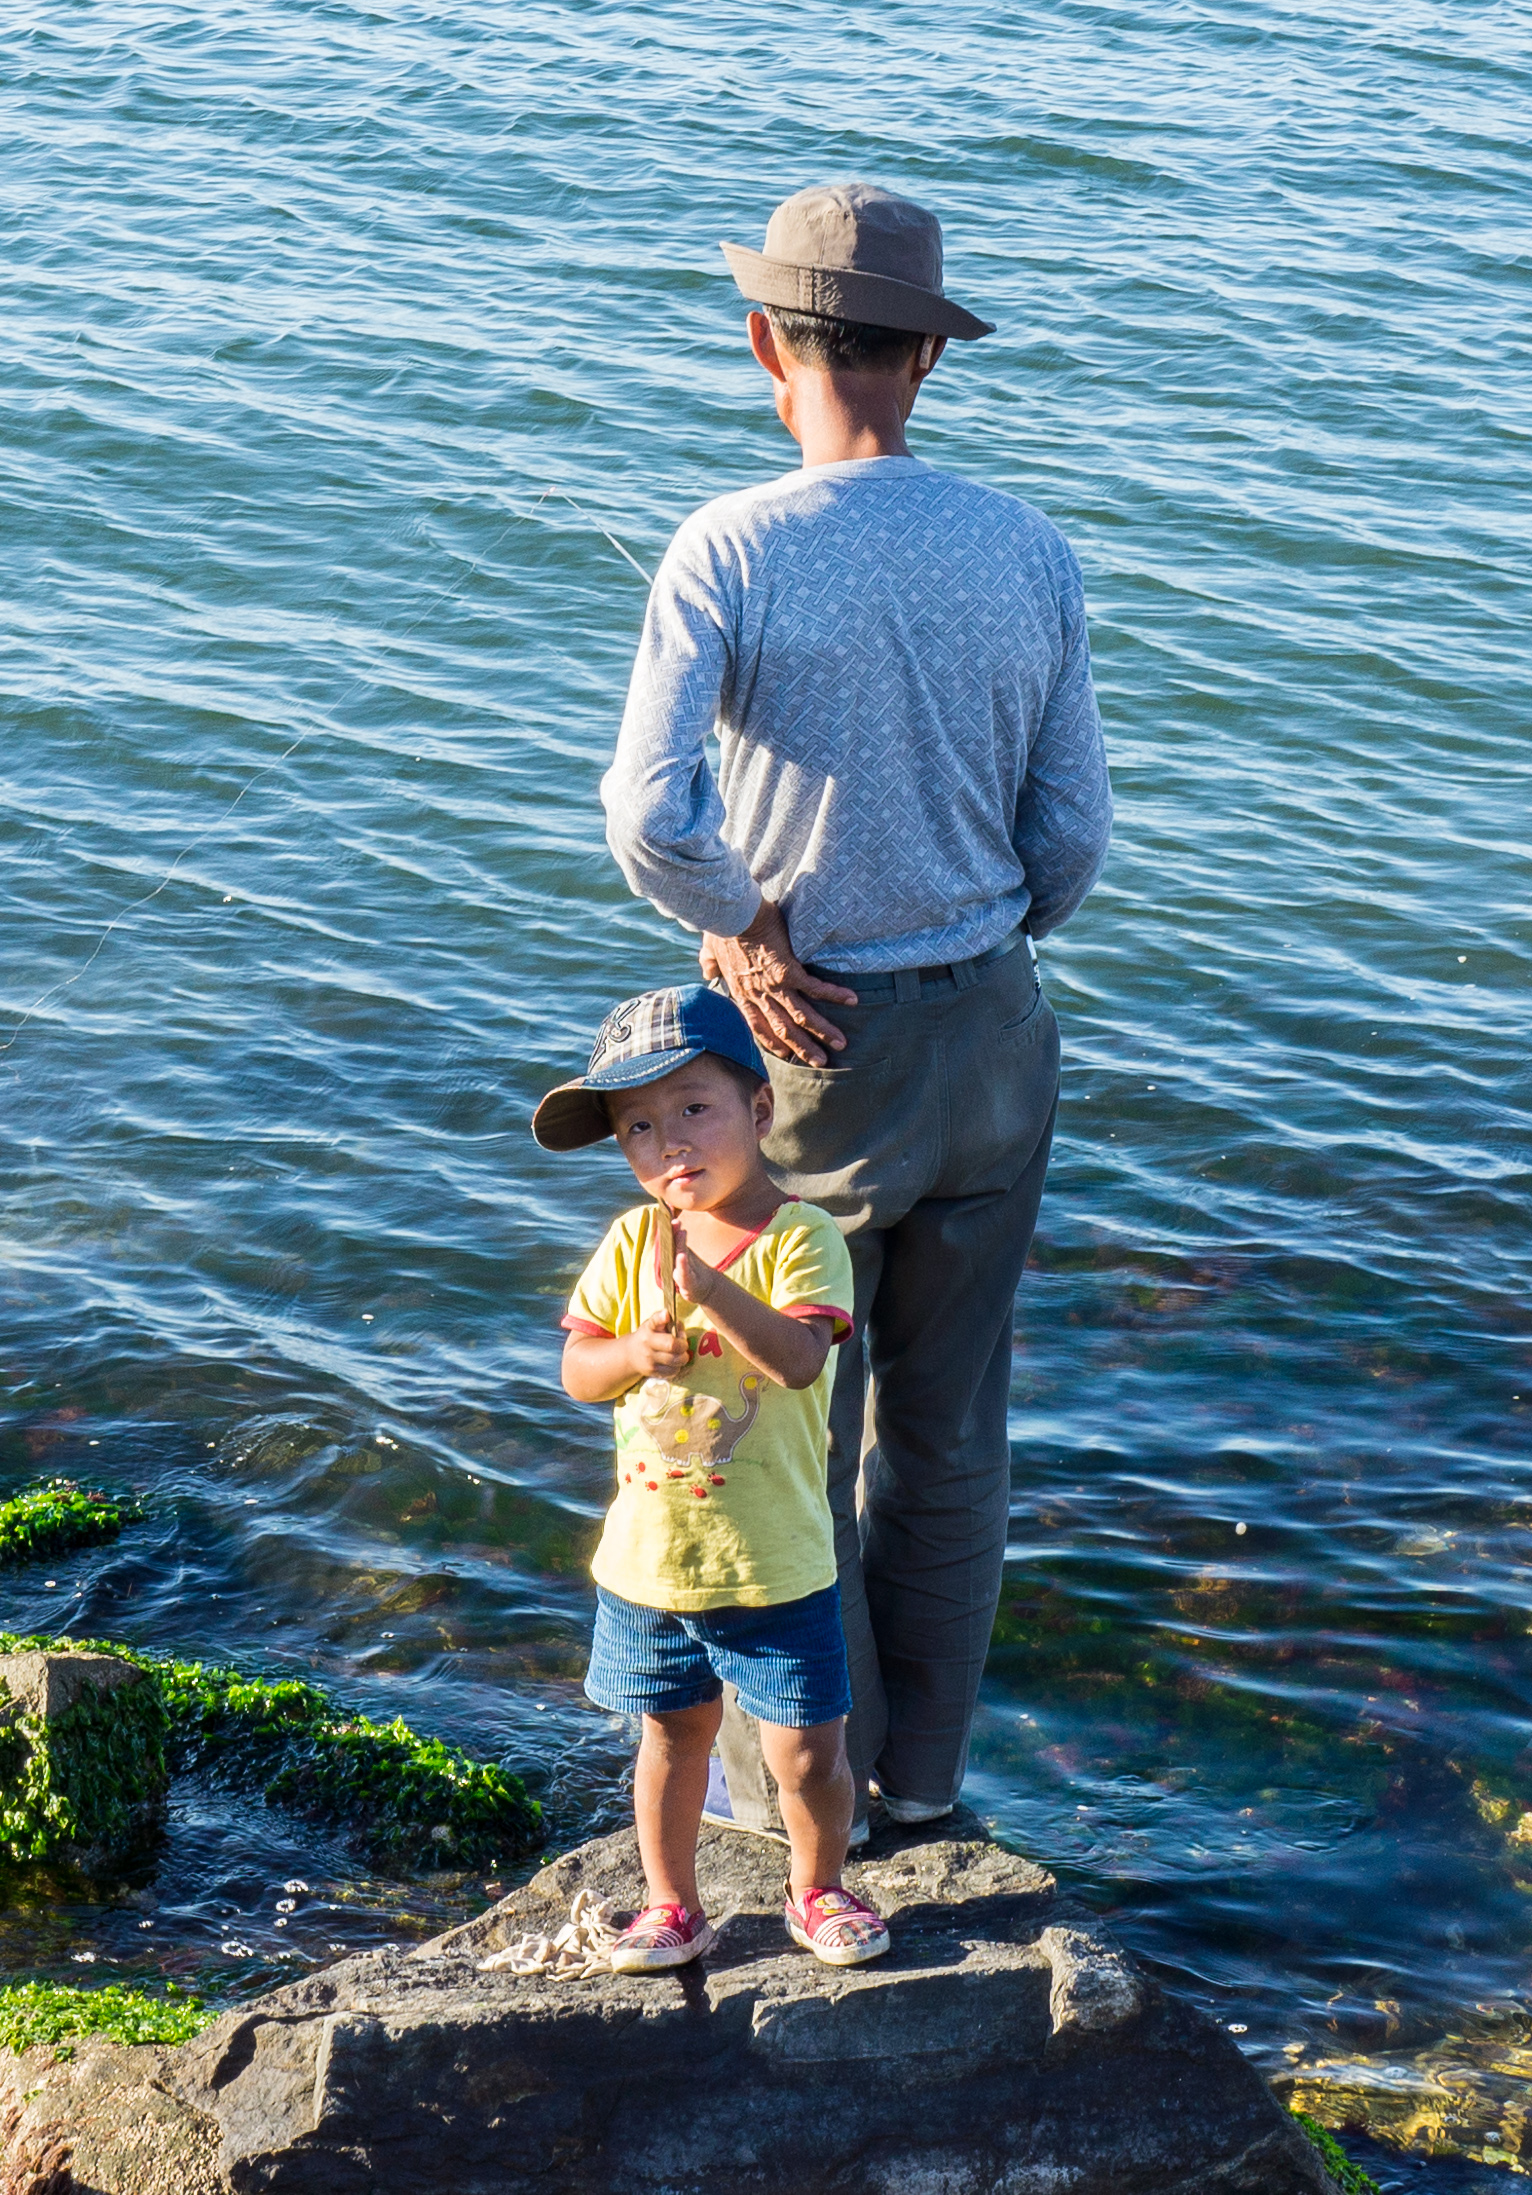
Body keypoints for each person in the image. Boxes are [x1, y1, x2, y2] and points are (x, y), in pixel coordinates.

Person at [601, 182, 1108, 1832]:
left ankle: (788, 1809)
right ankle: (927, 1789)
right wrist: (978, 942)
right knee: (951, 1440)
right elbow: (1071, 838)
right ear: (926, 362)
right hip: (995, 1038)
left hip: (815, 1052)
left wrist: (744, 923)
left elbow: (645, 815)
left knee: (782, 1431)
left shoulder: (732, 548)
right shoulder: (1028, 548)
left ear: (768, 344)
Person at [536, 983, 890, 1971]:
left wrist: (708, 1290)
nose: (667, 1141)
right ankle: (670, 1903)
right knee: (668, 1736)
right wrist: (630, 1356)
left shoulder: (797, 1237)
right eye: (637, 1125)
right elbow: (575, 1371)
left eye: (694, 1107)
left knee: (806, 1749)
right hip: (651, 1562)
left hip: (773, 1561)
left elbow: (798, 1358)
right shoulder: (625, 1243)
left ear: (759, 1110)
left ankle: (816, 1885)